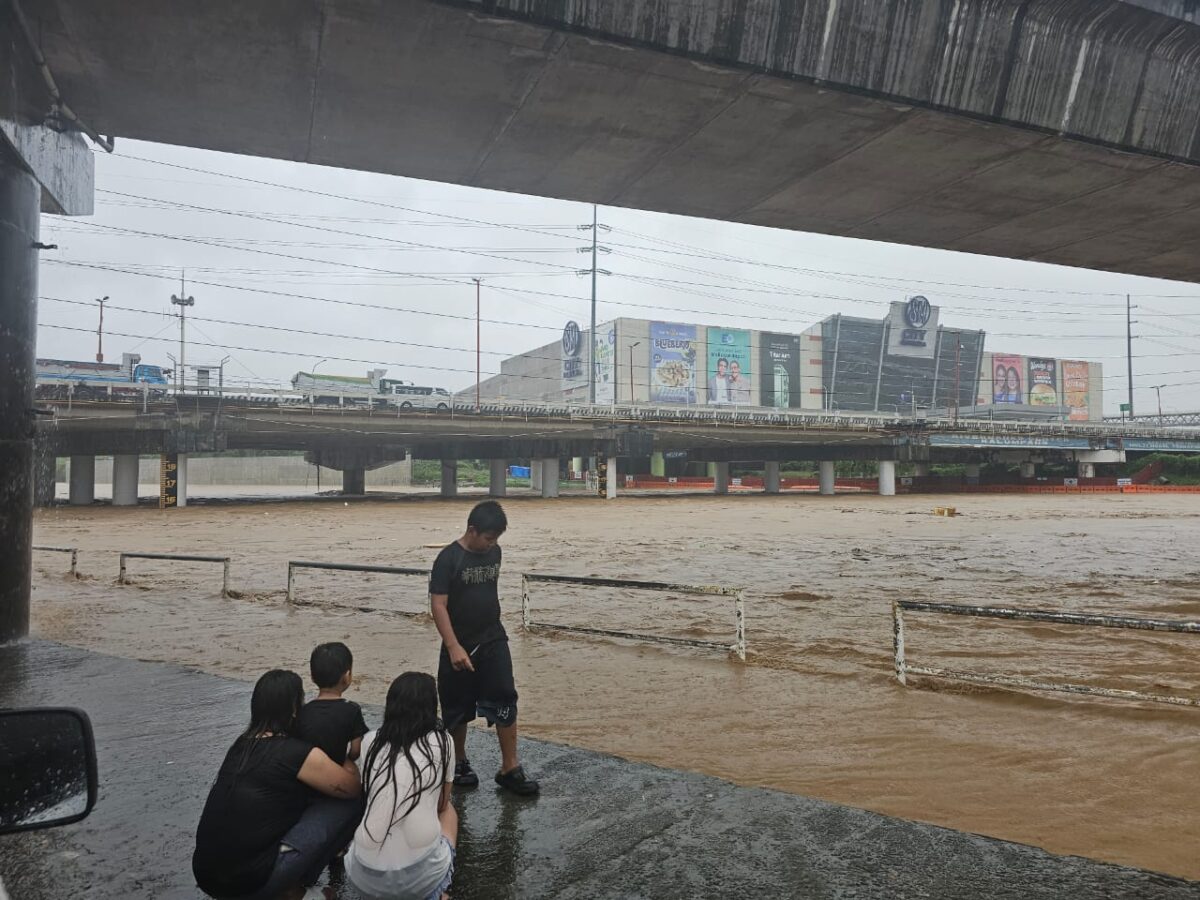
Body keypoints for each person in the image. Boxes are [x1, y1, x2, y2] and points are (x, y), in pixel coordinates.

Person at [193, 670, 364, 900]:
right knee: (353, 802)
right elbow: (352, 787)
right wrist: (344, 755)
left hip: (207, 876)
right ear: (294, 709)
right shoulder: (295, 753)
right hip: (250, 884)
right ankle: (295, 889)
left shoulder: (240, 745)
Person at [429, 500, 539, 796]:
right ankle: (459, 762)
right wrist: (453, 646)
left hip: (493, 638)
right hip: (459, 643)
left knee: (505, 697)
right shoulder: (448, 559)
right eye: (488, 538)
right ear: (472, 530)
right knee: (456, 707)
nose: (492, 544)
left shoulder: (495, 553)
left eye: (496, 539)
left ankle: (510, 767)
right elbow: (438, 605)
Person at [345, 673, 457, 900]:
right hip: (421, 876)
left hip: (364, 875)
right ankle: (439, 893)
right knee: (449, 811)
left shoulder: (370, 741)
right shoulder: (444, 741)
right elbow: (442, 803)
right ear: (431, 707)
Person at [296, 642, 369, 766]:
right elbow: (356, 750)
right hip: (337, 770)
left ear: (312, 677)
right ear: (347, 676)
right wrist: (348, 760)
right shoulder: (352, 710)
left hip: (307, 771)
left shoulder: (303, 711)